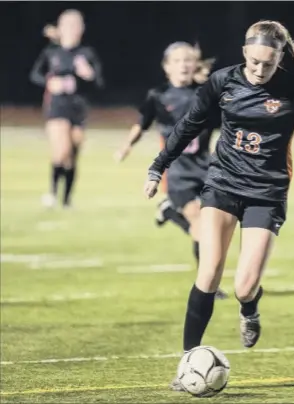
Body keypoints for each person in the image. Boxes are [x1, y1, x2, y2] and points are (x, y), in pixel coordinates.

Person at [142, 20, 294, 390]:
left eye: (267, 64)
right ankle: (187, 361)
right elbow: (187, 125)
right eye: (253, 63)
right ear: (244, 54)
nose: (259, 70)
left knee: (245, 286)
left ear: (279, 58)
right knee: (208, 272)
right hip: (221, 184)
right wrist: (158, 168)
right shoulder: (223, 81)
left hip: (266, 193)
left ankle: (249, 307)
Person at [115, 42, 227, 299]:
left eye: (188, 60)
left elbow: (228, 122)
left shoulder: (206, 93)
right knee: (201, 224)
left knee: (214, 226)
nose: (184, 65)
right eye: (177, 61)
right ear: (167, 67)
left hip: (206, 168)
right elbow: (141, 123)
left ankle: (170, 212)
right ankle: (207, 285)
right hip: (176, 172)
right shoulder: (158, 95)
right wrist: (126, 147)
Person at [29, 9, 104, 209]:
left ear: (82, 29)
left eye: (76, 26)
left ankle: (66, 200)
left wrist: (88, 75)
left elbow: (98, 82)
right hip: (57, 106)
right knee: (61, 150)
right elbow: (35, 74)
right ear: (60, 28)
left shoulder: (86, 53)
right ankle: (52, 193)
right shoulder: (51, 52)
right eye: (67, 26)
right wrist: (50, 81)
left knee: (72, 154)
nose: (72, 30)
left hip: (78, 107)